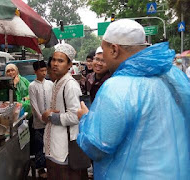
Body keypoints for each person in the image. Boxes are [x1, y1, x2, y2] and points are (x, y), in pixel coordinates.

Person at [77, 19, 190, 179]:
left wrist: (84, 119)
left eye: (104, 50)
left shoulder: (117, 87)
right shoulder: (173, 74)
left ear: (114, 50)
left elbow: (98, 147)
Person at [42, 43, 89, 180]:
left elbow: (76, 116)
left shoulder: (70, 85)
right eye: (54, 60)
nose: (55, 64)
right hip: (54, 145)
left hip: (65, 148)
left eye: (60, 61)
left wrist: (50, 116)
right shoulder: (57, 82)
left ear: (69, 65)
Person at [28, 60, 54, 178]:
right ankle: (41, 168)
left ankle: (51, 166)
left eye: (45, 70)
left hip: (51, 120)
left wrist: (51, 116)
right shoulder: (32, 86)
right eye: (41, 71)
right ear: (35, 72)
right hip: (39, 122)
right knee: (40, 144)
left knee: (50, 144)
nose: (44, 73)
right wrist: (41, 118)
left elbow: (53, 101)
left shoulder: (50, 84)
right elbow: (34, 104)